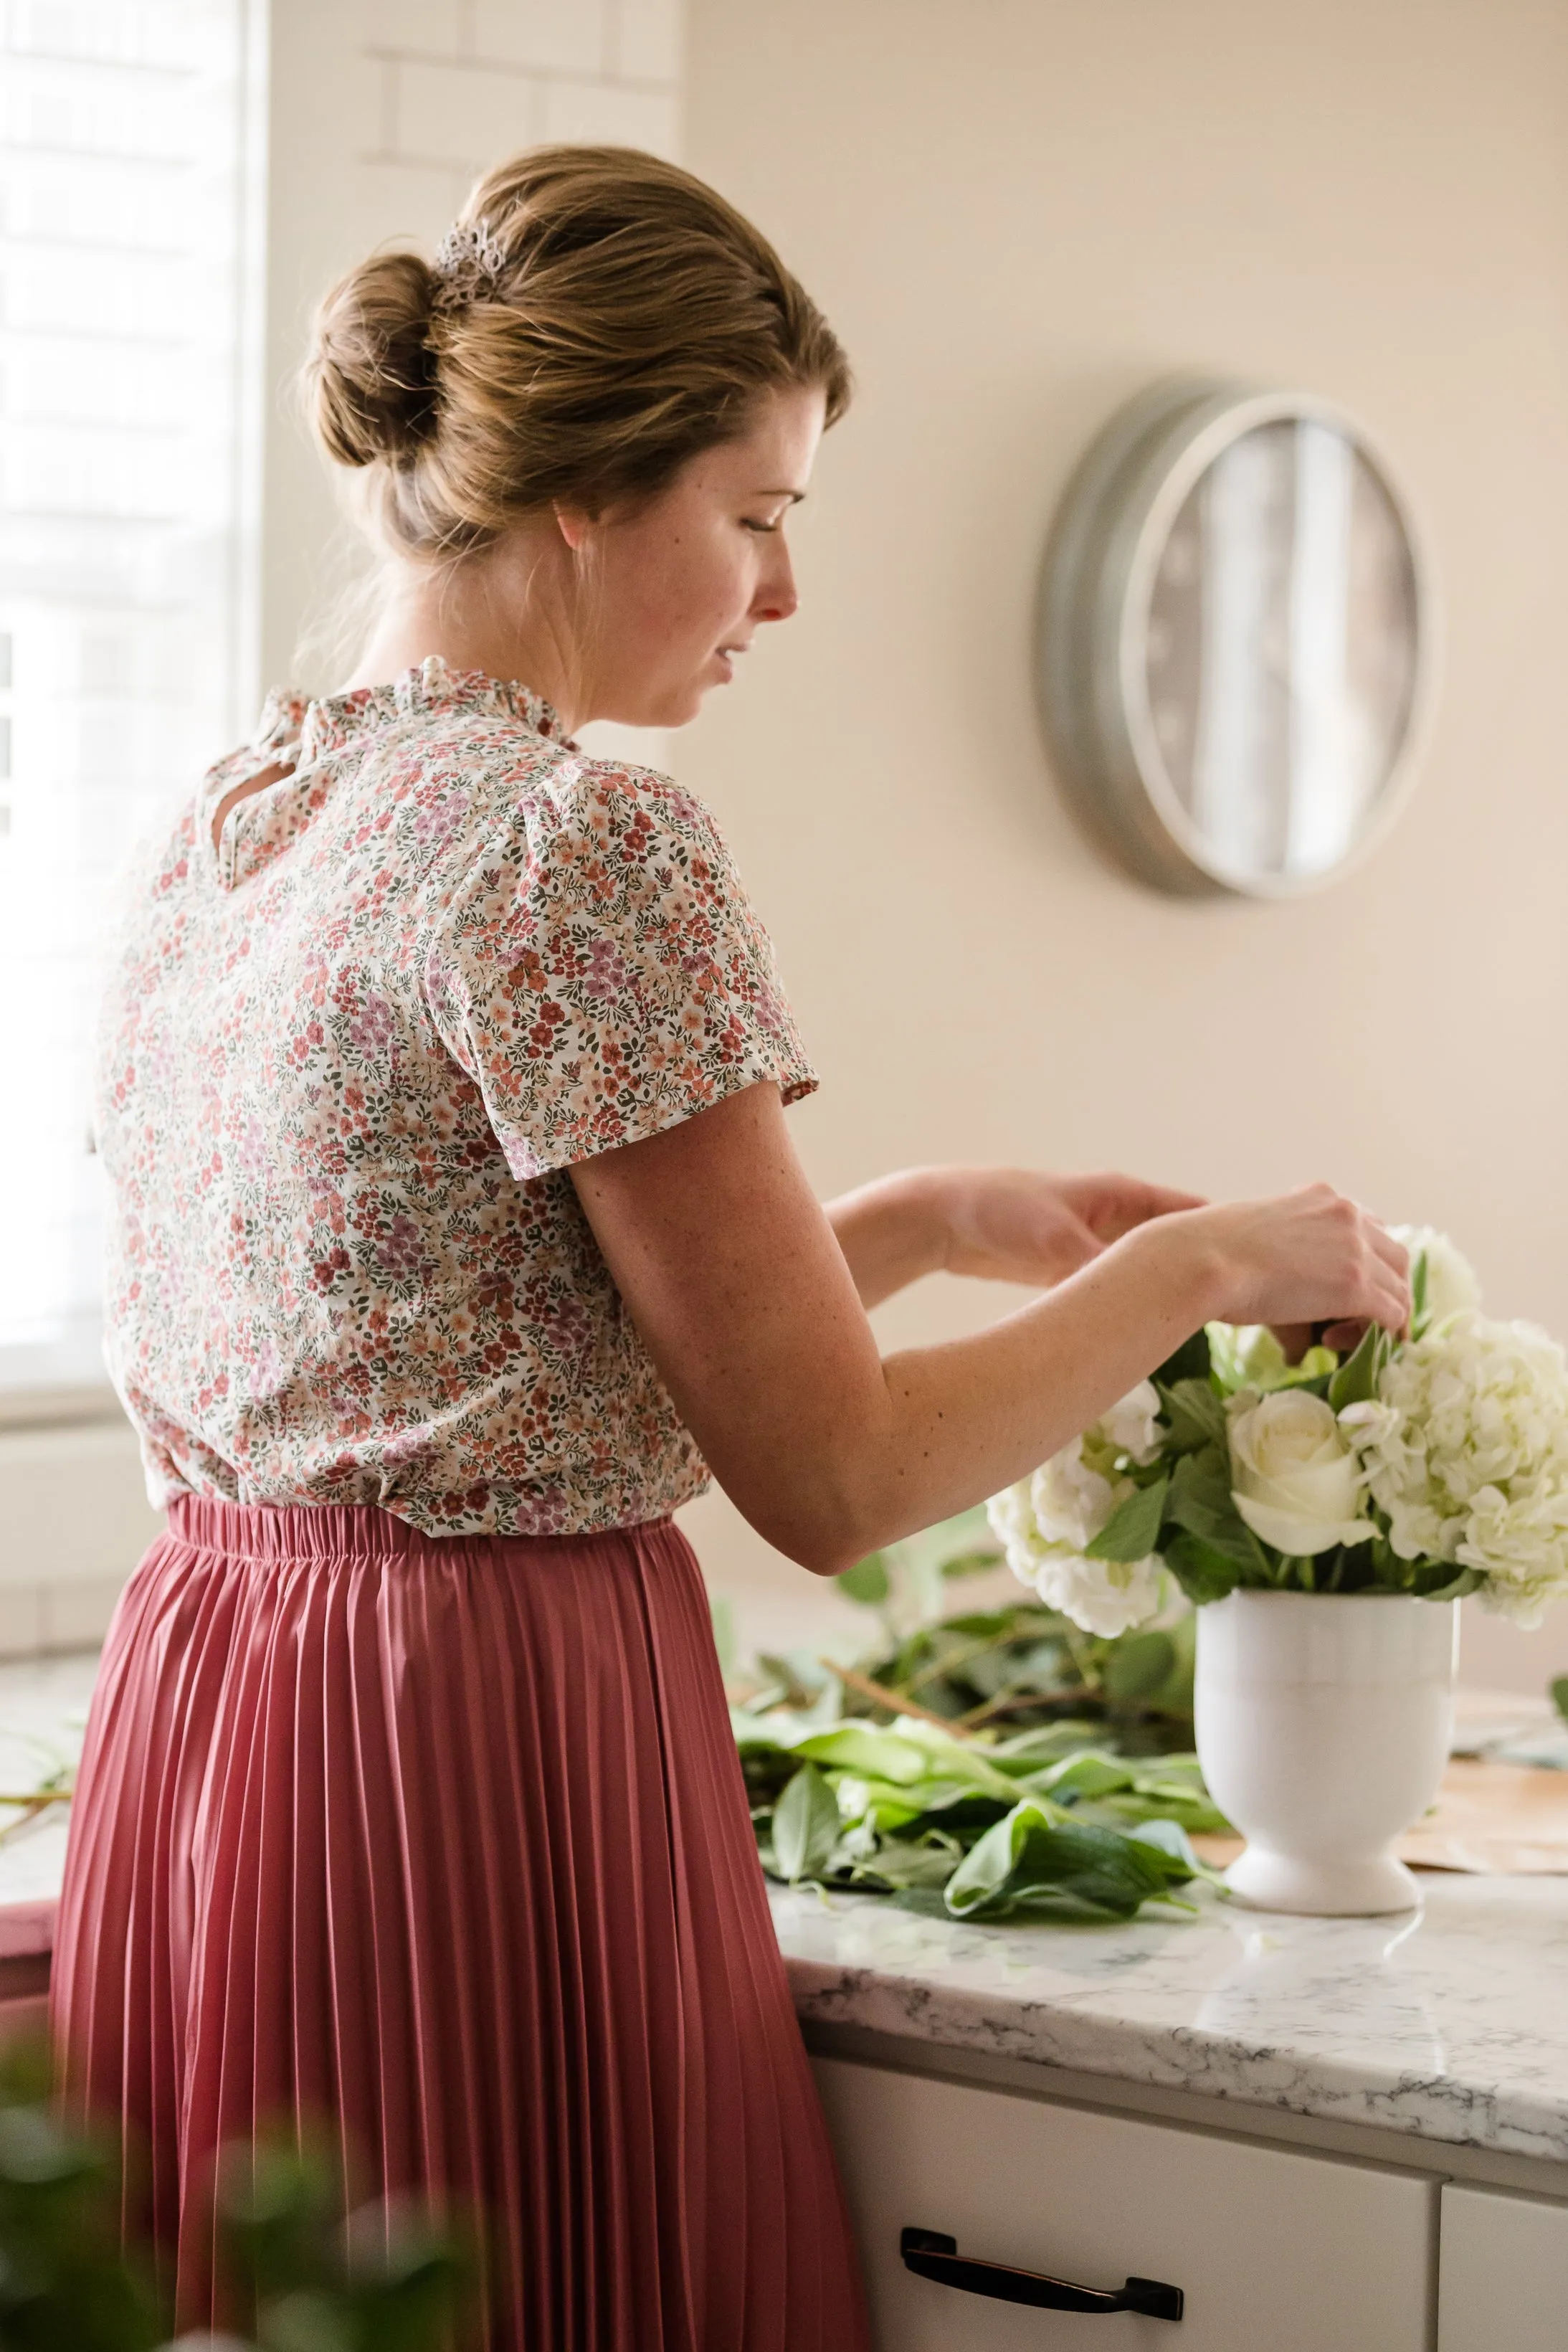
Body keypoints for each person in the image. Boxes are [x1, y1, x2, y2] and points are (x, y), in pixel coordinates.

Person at [52, 146, 1409, 2351]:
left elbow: (464, 1344)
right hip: (488, 1760)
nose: (781, 594)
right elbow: (836, 1478)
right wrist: (1198, 1271)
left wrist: (942, 1220)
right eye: (755, 514)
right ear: (583, 496)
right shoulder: (580, 844)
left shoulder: (242, 821)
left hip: (224, 1735)